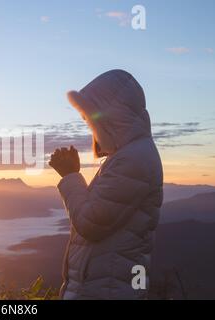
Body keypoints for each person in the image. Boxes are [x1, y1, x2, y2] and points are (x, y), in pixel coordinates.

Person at [49, 69, 163, 299]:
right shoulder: (127, 156)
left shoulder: (134, 159)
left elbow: (91, 223)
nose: (89, 125)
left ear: (112, 118)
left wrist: (70, 175)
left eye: (90, 119)